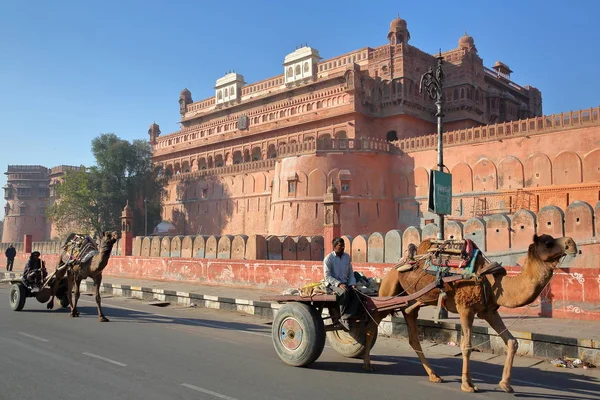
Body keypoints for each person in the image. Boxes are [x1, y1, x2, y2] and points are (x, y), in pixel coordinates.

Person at [323, 237, 359, 330]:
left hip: (345, 282)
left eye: (343, 245)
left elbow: (350, 272)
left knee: (357, 293)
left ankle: (348, 315)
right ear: (334, 247)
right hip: (333, 284)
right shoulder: (328, 259)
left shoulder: (347, 257)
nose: (343, 247)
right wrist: (339, 284)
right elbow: (327, 276)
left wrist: (352, 283)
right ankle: (342, 317)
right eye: (340, 246)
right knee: (344, 292)